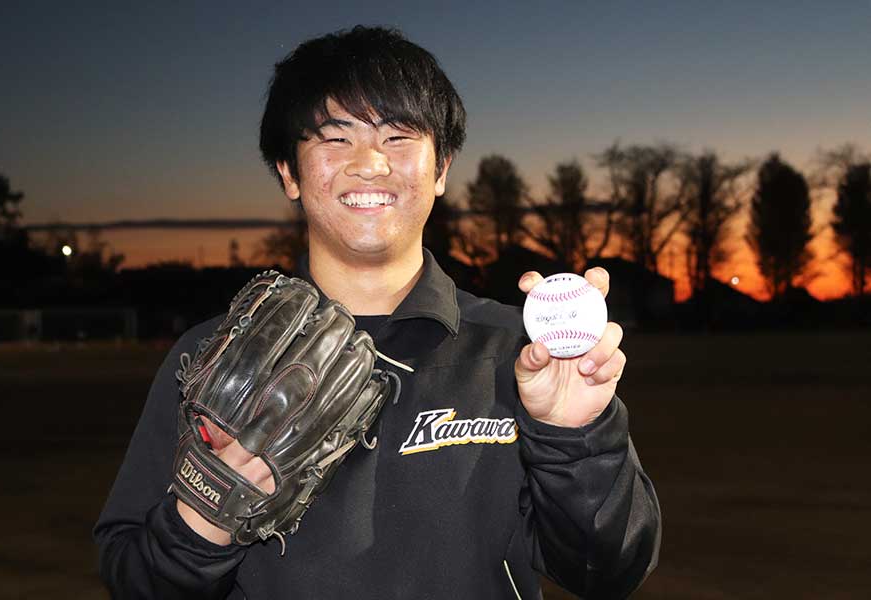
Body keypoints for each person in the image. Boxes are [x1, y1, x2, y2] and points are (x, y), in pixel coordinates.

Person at [94, 26, 660, 599]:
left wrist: (575, 435)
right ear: (289, 172)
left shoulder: (521, 352)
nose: (369, 164)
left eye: (398, 137)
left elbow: (607, 571)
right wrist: (208, 516)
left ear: (440, 170)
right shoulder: (211, 360)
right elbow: (134, 581)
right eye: (334, 138)